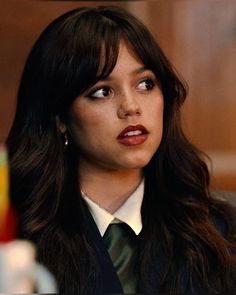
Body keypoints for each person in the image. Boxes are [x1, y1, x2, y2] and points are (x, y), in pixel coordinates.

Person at [6, 6, 236, 295]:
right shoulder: (15, 242)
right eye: (102, 91)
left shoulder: (223, 229)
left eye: (145, 84)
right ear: (60, 119)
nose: (131, 107)